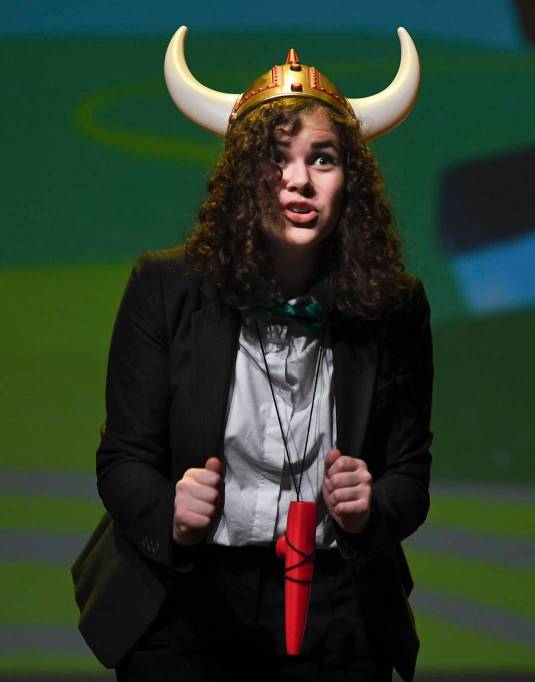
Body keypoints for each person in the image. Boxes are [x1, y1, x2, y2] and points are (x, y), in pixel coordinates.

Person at [71, 26, 431, 682]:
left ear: (350, 180)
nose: (299, 180)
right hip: (185, 602)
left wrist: (371, 504)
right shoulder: (164, 287)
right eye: (276, 158)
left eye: (323, 159)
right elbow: (124, 459)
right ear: (243, 176)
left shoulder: (395, 305)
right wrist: (171, 514)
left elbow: (411, 475)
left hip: (336, 602)